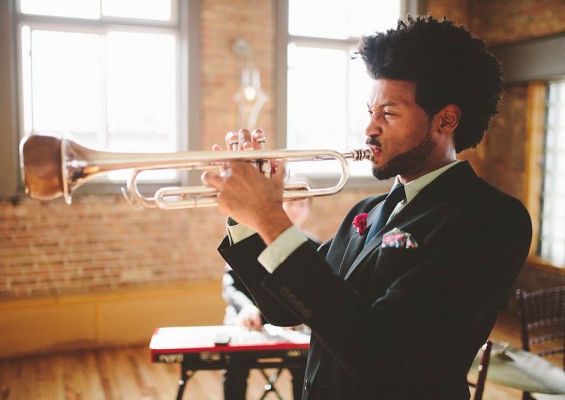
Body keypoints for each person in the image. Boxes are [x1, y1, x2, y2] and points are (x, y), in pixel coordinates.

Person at [203, 15, 532, 400]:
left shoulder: (491, 219)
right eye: (370, 112)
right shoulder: (369, 210)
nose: (370, 129)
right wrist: (244, 219)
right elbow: (288, 308)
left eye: (388, 113)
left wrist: (269, 216)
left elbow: (381, 353)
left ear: (446, 119)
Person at [222, 197, 320, 400]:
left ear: (308, 210)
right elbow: (230, 285)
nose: (295, 209)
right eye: (291, 203)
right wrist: (247, 308)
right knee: (234, 364)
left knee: (307, 364)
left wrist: (298, 315)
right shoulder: (250, 241)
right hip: (249, 317)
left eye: (302, 205)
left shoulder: (314, 245)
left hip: (295, 324)